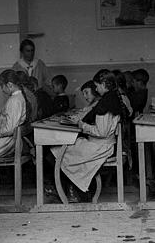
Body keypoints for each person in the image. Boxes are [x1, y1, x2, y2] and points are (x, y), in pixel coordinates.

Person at [50, 69, 126, 202]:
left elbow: (101, 132)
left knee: (60, 151)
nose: (96, 89)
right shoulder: (113, 97)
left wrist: (82, 125)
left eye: (96, 86)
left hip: (101, 147)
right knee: (65, 149)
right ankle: (72, 190)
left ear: (103, 84)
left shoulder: (105, 103)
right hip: (102, 144)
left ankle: (72, 191)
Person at [0, 69, 30, 161]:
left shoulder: (15, 101)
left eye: (2, 86)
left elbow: (10, 129)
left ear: (9, 85)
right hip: (7, 138)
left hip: (8, 141)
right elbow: (8, 124)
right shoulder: (16, 98)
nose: (2, 90)